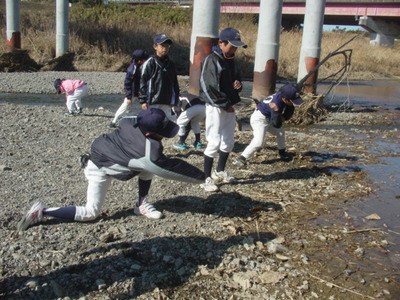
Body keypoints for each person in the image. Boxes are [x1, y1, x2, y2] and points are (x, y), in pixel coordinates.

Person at [17, 108, 205, 231]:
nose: (165, 136)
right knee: (91, 213)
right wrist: (202, 177)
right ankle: (43, 212)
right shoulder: (148, 151)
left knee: (147, 168)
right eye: (162, 133)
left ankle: (140, 205)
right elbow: (171, 168)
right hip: (98, 167)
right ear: (149, 133)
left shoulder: (133, 119)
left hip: (107, 152)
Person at [199, 27, 247, 192]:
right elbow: (207, 86)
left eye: (236, 47)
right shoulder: (212, 59)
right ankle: (206, 178)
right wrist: (224, 104)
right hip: (216, 106)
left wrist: (238, 86)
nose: (234, 50)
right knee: (213, 141)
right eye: (232, 46)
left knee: (228, 141)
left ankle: (219, 171)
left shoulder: (232, 60)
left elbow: (237, 81)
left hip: (229, 106)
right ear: (221, 43)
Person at [233, 84, 304, 167]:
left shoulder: (283, 97)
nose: (293, 103)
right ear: (285, 99)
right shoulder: (275, 104)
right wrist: (277, 112)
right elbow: (276, 124)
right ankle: (241, 158)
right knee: (259, 142)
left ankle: (282, 153)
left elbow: (287, 115)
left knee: (280, 133)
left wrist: (282, 116)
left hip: (268, 118)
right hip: (259, 119)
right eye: (292, 101)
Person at [139, 33, 180, 120]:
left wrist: (174, 100)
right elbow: (143, 82)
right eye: (162, 46)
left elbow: (175, 83)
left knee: (166, 125)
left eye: (167, 46)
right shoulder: (150, 63)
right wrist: (143, 100)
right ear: (155, 46)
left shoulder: (171, 63)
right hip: (152, 101)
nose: (165, 48)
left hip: (167, 101)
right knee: (152, 123)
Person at [108, 49, 149, 128]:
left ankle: (147, 123)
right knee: (125, 105)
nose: (146, 60)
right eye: (144, 59)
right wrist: (129, 96)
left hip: (142, 90)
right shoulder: (131, 70)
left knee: (147, 106)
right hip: (134, 92)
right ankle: (113, 122)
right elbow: (127, 84)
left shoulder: (142, 66)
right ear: (140, 61)